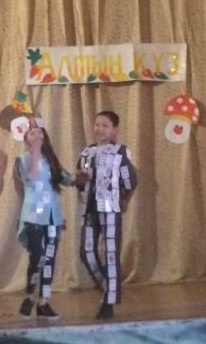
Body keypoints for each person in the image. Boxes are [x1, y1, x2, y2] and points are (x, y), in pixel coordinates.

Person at [75, 110, 138, 320]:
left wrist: (124, 201)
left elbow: (130, 181)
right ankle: (108, 286)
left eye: (105, 125)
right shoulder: (87, 152)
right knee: (86, 251)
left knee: (110, 252)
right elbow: (79, 182)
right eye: (97, 125)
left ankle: (108, 302)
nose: (99, 129)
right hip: (89, 209)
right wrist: (79, 181)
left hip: (110, 207)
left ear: (114, 130)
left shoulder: (121, 152)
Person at [13, 117, 74, 320]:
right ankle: (30, 294)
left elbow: (67, 178)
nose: (37, 135)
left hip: (52, 216)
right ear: (25, 139)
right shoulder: (23, 160)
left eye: (40, 132)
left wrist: (81, 176)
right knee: (37, 256)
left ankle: (43, 302)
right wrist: (36, 152)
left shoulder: (51, 160)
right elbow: (32, 176)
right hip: (34, 216)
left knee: (50, 257)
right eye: (32, 133)